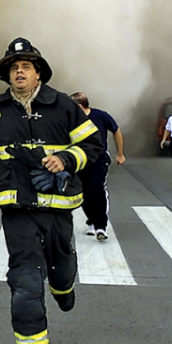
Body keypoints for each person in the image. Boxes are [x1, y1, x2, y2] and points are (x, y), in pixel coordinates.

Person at [0, 38, 101, 344]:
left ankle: (64, 286)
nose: (19, 72)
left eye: (25, 66)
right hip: (16, 207)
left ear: (38, 72)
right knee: (25, 282)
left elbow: (93, 145)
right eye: (13, 67)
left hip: (57, 206)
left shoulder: (62, 106)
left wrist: (66, 159)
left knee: (62, 264)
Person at [70, 92, 125, 241]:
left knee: (97, 188)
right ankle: (92, 221)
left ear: (80, 106)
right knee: (83, 193)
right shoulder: (71, 119)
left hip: (99, 158)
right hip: (80, 159)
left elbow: (116, 131)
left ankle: (101, 226)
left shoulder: (100, 116)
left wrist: (120, 153)